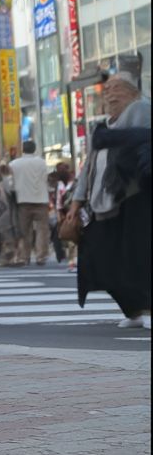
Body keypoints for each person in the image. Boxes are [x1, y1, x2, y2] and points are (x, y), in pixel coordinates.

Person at [69, 72, 151, 330]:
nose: (110, 93)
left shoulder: (140, 109)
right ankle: (133, 309)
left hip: (136, 197)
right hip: (104, 202)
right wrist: (76, 201)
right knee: (98, 257)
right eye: (107, 90)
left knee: (137, 257)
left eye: (117, 88)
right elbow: (88, 168)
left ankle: (146, 307)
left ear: (134, 93)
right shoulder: (102, 127)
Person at [7, 140, 51, 265]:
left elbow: (10, 184)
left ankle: (24, 257)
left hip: (22, 201)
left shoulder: (14, 164)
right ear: (35, 149)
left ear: (23, 149)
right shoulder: (42, 163)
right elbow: (46, 179)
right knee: (42, 230)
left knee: (24, 230)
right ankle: (41, 256)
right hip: (41, 199)